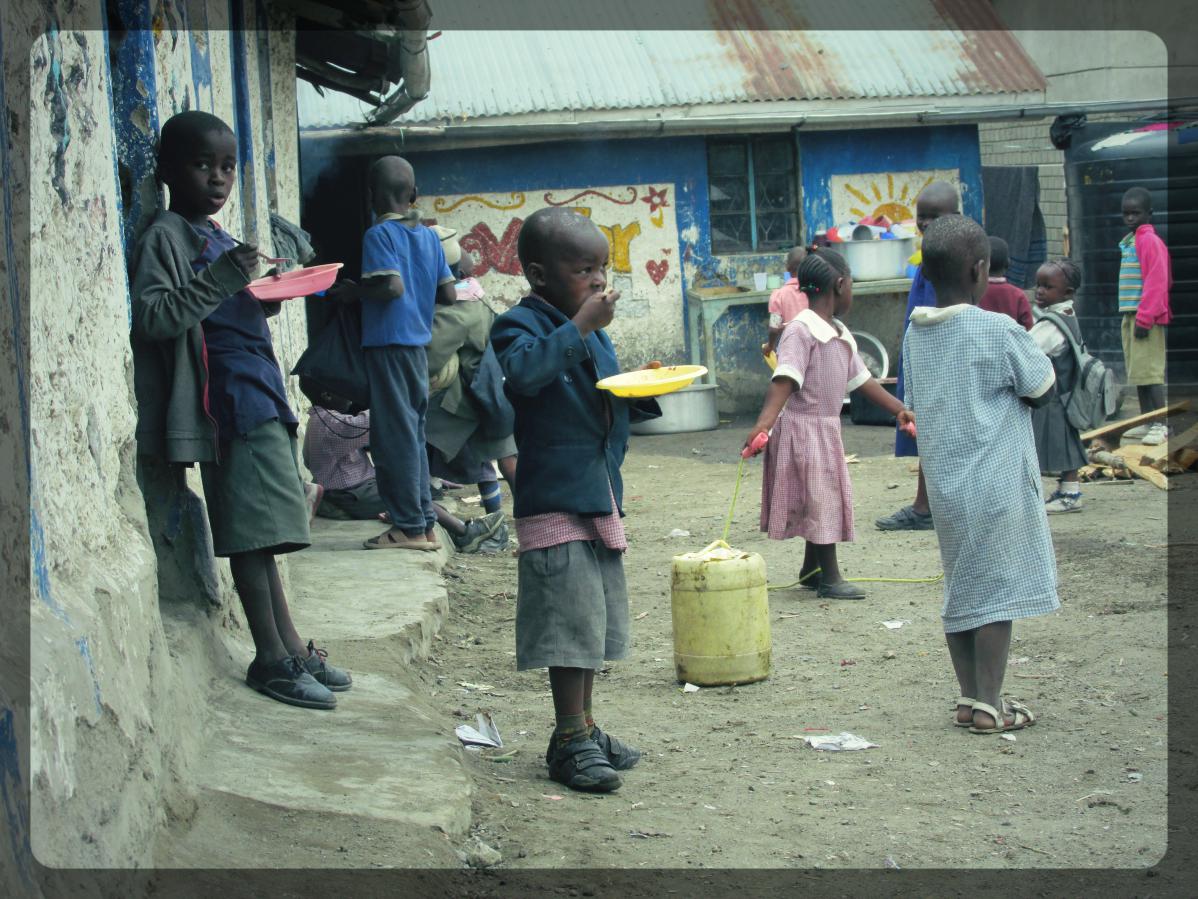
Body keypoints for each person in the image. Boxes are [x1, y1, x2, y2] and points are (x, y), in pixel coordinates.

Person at [129, 110, 349, 709]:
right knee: (252, 533)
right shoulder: (166, 237)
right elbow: (154, 317)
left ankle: (292, 646)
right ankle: (270, 658)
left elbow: (228, 304)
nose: (218, 178)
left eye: (227, 166)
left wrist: (266, 294)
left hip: (260, 392)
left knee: (271, 530)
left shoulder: (218, 236)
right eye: (202, 165)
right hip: (220, 401)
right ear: (170, 170)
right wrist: (226, 279)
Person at [490, 207, 660, 793]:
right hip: (555, 500)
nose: (597, 281)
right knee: (568, 623)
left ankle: (585, 726)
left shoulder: (591, 330)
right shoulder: (518, 326)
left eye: (602, 268)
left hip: (598, 494)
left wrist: (644, 387)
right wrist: (582, 327)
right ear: (539, 274)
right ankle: (568, 738)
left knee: (593, 620)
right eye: (583, 269)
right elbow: (525, 377)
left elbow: (598, 396)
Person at [901, 214, 1058, 734]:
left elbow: (917, 403)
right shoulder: (997, 328)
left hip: (947, 486)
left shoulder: (914, 335)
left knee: (963, 584)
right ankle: (991, 704)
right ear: (979, 270)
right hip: (996, 478)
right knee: (998, 590)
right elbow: (1041, 389)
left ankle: (969, 697)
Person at [745, 249, 914, 600]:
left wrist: (898, 409)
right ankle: (830, 577)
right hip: (803, 429)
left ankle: (812, 568)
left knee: (818, 497)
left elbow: (863, 380)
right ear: (840, 284)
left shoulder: (837, 332)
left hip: (824, 429)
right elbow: (784, 379)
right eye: (851, 284)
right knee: (822, 500)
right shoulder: (800, 331)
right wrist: (764, 424)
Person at [358, 156, 457, 551]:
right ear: (414, 194)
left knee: (392, 440)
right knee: (412, 436)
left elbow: (391, 288)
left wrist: (354, 292)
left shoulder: (378, 236)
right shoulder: (430, 237)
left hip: (389, 346)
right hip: (418, 349)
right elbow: (448, 294)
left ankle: (408, 528)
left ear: (371, 196)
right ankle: (424, 522)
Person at [303, 402, 507, 551]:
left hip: (356, 489)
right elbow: (373, 422)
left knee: (419, 494)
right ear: (328, 394)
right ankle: (465, 533)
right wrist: (391, 398)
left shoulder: (324, 419)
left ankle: (461, 530)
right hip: (351, 493)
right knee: (409, 496)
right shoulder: (328, 423)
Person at [876, 181, 961, 531]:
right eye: (920, 218)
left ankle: (928, 507)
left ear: (954, 217)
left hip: (941, 356)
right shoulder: (930, 255)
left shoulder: (951, 257)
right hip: (923, 354)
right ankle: (927, 505)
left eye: (933, 217)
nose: (925, 224)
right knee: (928, 431)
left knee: (938, 432)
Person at [426, 226, 518, 526]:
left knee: (419, 435)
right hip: (490, 387)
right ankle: (515, 515)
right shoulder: (474, 295)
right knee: (500, 457)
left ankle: (420, 505)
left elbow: (428, 359)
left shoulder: (455, 309)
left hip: (471, 395)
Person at [1029, 259, 1089, 513]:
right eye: (1038, 285)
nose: (1040, 291)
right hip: (1064, 394)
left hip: (1053, 396)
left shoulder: (1052, 325)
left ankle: (1070, 494)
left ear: (1067, 293)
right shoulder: (1064, 314)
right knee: (1066, 443)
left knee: (1060, 444)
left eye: (1047, 286)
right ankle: (1068, 490)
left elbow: (1029, 350)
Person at [1116, 186, 1173, 446]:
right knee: (1138, 373)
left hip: (1145, 319)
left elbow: (1158, 281)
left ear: (1149, 214)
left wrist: (1145, 317)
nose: (1130, 219)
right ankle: (1147, 420)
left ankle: (1161, 424)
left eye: (1135, 213)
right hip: (1131, 316)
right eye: (1126, 214)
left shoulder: (1150, 241)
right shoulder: (1130, 242)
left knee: (1150, 374)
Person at [761, 246, 809, 358]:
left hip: (790, 350)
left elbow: (774, 327)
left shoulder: (779, 295)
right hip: (814, 347)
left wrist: (770, 345)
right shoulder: (815, 291)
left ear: (787, 267)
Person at [978, 236, 1033, 330]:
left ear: (979, 265)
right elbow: (1028, 328)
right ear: (1008, 264)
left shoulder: (972, 293)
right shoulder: (1018, 295)